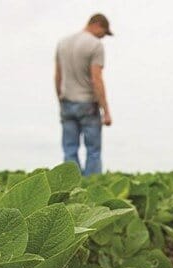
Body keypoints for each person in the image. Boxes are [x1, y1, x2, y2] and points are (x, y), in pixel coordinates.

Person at [55, 13, 113, 175]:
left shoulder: (63, 43)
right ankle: (91, 192)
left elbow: (58, 76)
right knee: (93, 150)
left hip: (66, 101)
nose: (103, 37)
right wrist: (106, 111)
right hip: (88, 103)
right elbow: (96, 79)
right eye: (104, 32)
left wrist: (60, 99)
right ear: (97, 25)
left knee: (69, 149)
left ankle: (71, 188)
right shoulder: (95, 45)